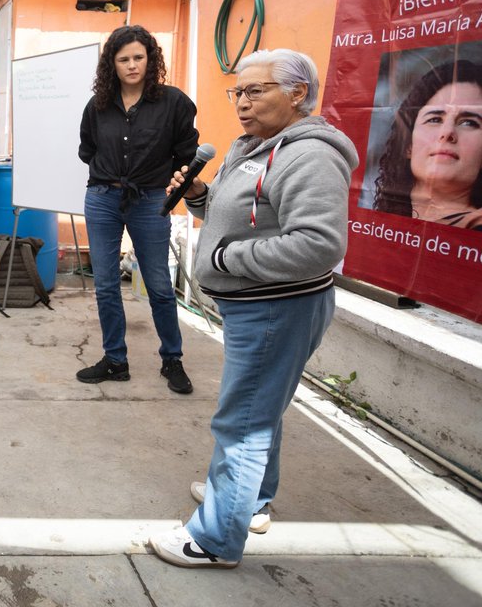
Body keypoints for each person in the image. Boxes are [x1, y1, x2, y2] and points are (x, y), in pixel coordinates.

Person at [149, 49, 358, 569]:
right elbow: (242, 211)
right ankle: (253, 501)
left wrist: (224, 257)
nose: (242, 102)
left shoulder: (310, 156)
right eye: (237, 92)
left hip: (278, 309)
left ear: (298, 94)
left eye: (256, 90)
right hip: (255, 305)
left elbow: (318, 244)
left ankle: (215, 539)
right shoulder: (256, 146)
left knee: (243, 422)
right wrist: (199, 195)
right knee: (259, 411)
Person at [75, 25, 198, 395]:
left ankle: (172, 359)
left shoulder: (174, 103)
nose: (132, 65)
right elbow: (87, 150)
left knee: (159, 284)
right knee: (107, 285)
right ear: (111, 64)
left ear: (151, 59)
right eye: (123, 59)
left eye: (138, 58)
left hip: (149, 201)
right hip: (102, 198)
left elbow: (187, 154)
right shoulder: (98, 106)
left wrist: (159, 177)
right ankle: (115, 360)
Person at [373, 60, 482, 230]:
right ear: (408, 145)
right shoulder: (376, 223)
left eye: (469, 123)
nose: (447, 133)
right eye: (435, 119)